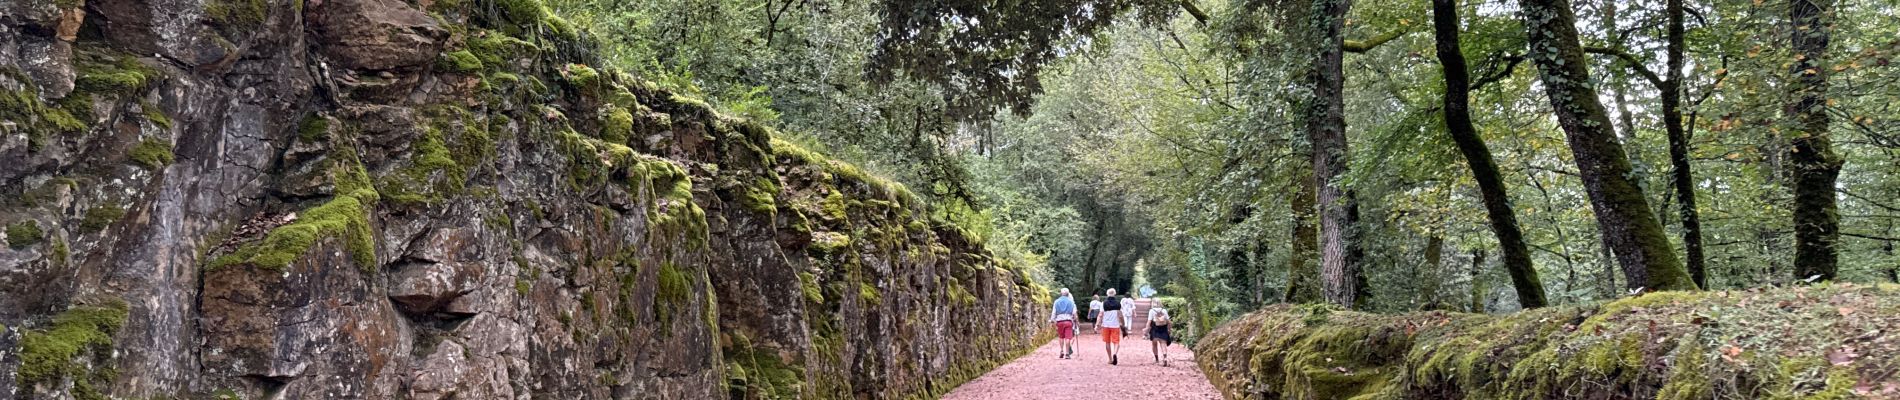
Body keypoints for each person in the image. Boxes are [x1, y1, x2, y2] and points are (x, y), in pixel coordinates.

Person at [1048, 288, 1078, 359]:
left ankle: (1061, 351)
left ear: (1061, 293)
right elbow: (1074, 313)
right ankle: (1067, 353)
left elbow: (1054, 312)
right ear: (1068, 294)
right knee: (1068, 337)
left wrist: (1052, 320)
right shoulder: (1071, 302)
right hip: (1068, 321)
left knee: (1061, 337)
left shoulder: (1056, 301)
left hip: (1060, 321)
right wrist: (1076, 321)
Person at [1098, 288, 1125, 365]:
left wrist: (1097, 324)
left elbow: (1100, 315)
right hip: (1115, 325)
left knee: (1107, 342)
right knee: (1116, 342)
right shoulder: (1118, 304)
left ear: (1107, 294)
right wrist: (1123, 324)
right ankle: (1115, 354)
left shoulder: (1103, 303)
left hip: (1106, 325)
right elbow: (1120, 315)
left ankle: (1110, 359)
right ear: (1115, 294)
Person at [1147, 300, 1175, 366]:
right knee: (1163, 344)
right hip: (1163, 328)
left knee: (1154, 344)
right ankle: (1165, 357)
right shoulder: (1164, 310)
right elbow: (1169, 321)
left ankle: (1157, 360)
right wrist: (1169, 329)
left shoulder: (1151, 311)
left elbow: (1149, 322)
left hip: (1155, 328)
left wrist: (1147, 329)